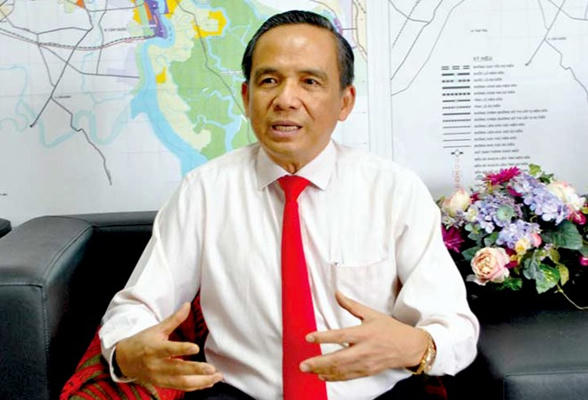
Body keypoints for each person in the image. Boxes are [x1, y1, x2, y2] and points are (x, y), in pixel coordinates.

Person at [99, 10, 479, 400]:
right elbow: (134, 309)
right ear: (246, 97)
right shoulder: (203, 192)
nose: (285, 100)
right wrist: (127, 354)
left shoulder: (394, 191)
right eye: (269, 81)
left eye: (310, 82)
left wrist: (415, 346)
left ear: (345, 101)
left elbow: (456, 330)